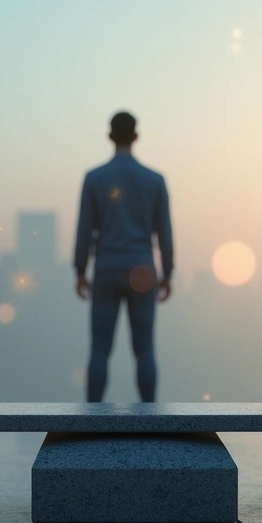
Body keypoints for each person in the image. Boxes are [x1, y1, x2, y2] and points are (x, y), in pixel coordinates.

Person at [73, 111, 174, 403]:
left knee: (100, 348)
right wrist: (168, 273)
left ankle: (91, 417)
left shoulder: (94, 178)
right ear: (136, 136)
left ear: (109, 136)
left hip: (106, 267)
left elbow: (84, 229)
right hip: (142, 268)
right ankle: (150, 415)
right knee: (145, 347)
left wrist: (80, 270)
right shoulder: (155, 180)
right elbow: (164, 232)